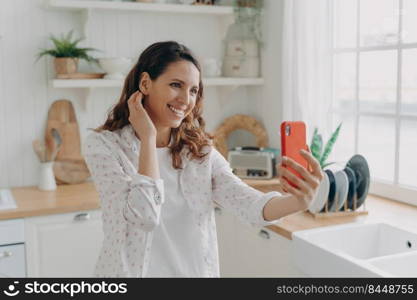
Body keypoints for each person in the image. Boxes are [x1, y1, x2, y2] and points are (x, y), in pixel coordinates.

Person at [83, 41, 323, 278]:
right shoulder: (105, 146)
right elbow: (144, 216)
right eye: (176, 85)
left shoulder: (199, 151)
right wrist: (148, 138)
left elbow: (248, 203)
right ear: (145, 83)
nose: (186, 100)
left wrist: (298, 202)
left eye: (194, 90)